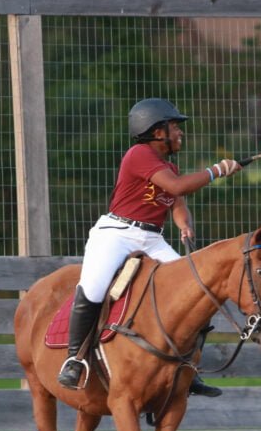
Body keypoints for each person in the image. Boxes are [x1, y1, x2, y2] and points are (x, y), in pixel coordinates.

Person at [57, 98, 242, 397]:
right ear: (157, 131)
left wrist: (183, 224)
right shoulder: (138, 155)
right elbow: (180, 187)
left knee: (196, 288)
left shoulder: (168, 165)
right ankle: (74, 359)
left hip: (152, 238)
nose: (180, 133)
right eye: (175, 127)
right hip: (116, 233)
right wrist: (217, 171)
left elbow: (177, 201)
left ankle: (187, 368)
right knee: (93, 287)